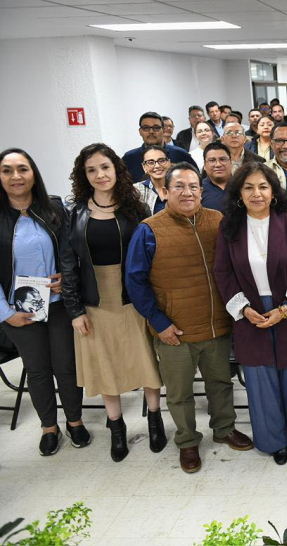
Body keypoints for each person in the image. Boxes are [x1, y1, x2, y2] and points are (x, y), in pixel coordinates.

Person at [125, 162, 252, 474]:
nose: (188, 192)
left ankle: (224, 429)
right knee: (180, 393)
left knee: (220, 384)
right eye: (179, 186)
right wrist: (159, 322)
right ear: (165, 191)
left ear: (201, 190)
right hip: (174, 331)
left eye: (194, 186)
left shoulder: (218, 220)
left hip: (216, 325)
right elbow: (134, 282)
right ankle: (188, 441)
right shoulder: (149, 229)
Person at [62, 143, 165, 462]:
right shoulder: (76, 211)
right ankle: (117, 429)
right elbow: (68, 262)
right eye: (91, 169)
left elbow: (152, 256)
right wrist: (75, 310)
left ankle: (155, 419)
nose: (99, 174)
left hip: (134, 296)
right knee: (105, 366)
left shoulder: (135, 207)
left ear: (116, 170)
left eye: (104, 167)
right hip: (94, 300)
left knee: (145, 360)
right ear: (84, 175)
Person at [214, 162, 287, 465]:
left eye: (263, 186)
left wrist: (285, 308)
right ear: (239, 194)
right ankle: (274, 442)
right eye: (248, 187)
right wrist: (243, 309)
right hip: (250, 312)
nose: (256, 193)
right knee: (260, 380)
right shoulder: (229, 227)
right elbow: (223, 272)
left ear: (273, 192)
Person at [0, 148, 90, 457]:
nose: (15, 176)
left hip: (58, 304)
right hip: (18, 311)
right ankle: (48, 428)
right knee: (37, 369)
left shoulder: (52, 207)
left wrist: (67, 278)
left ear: (33, 173)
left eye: (22, 169)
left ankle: (75, 421)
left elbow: (69, 250)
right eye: (7, 170)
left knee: (66, 366)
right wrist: (5, 313)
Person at [122, 111, 195, 183]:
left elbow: (196, 180)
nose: (151, 131)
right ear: (140, 131)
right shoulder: (129, 158)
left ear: (163, 130)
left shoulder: (181, 155)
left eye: (156, 127)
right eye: (146, 128)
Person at [134, 146, 170, 215]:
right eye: (151, 162)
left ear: (169, 163)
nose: (157, 166)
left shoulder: (179, 187)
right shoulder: (136, 190)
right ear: (144, 167)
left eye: (161, 160)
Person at [199, 142, 233, 212]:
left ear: (231, 163)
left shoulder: (242, 186)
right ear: (205, 165)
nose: (218, 165)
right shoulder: (198, 190)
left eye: (223, 159)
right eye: (212, 160)